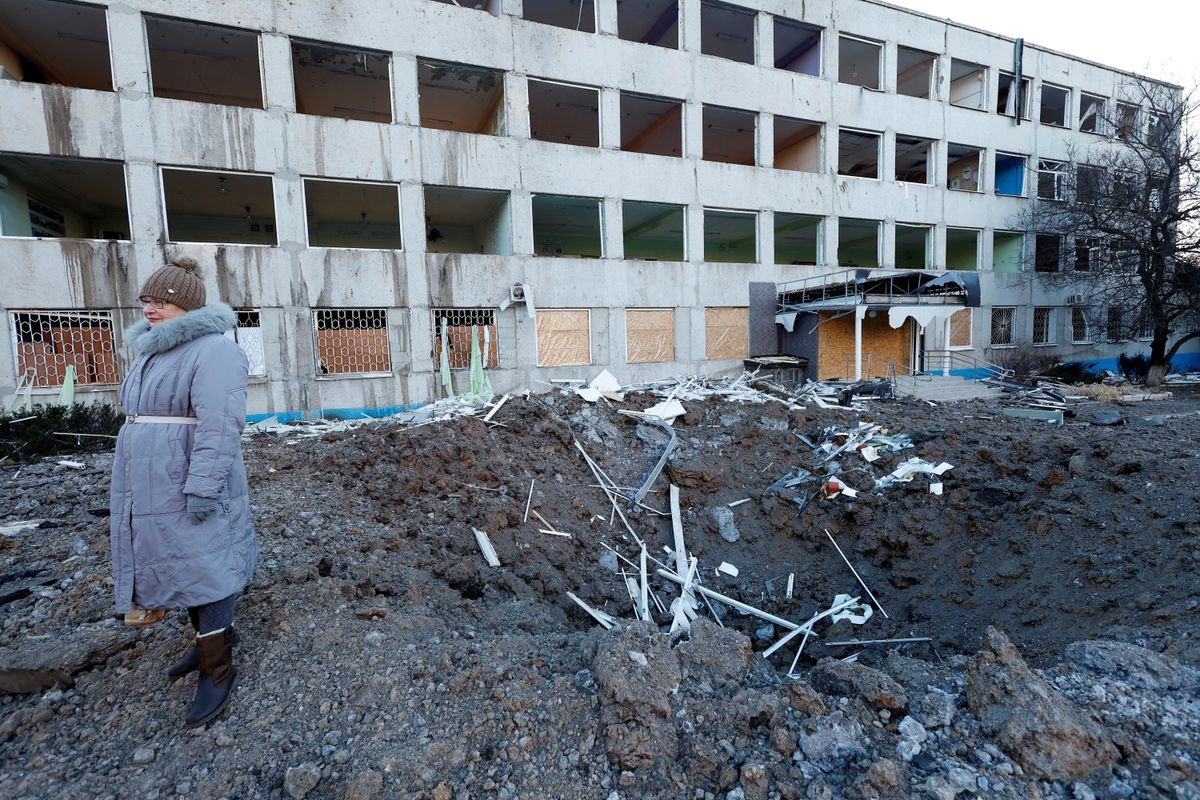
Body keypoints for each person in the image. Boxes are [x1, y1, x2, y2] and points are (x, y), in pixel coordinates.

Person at [109, 256, 258, 728]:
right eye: (147, 301)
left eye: (161, 301)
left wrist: (203, 487)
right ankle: (205, 646)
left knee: (207, 563)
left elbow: (220, 425)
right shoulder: (154, 350)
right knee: (182, 560)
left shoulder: (214, 350)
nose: (150, 309)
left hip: (190, 475)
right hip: (153, 477)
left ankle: (218, 668)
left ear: (187, 304)